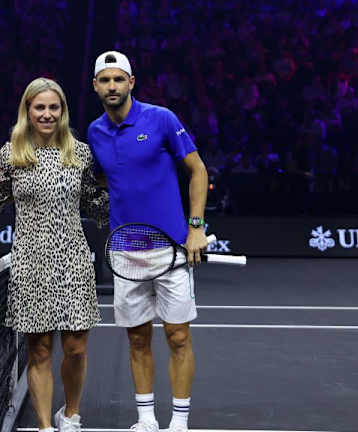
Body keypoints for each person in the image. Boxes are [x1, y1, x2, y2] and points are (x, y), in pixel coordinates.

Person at [0, 78, 108, 432]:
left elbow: (96, 203)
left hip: (74, 260)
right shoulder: (11, 154)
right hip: (30, 263)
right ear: (27, 111)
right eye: (39, 107)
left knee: (75, 348)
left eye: (53, 107)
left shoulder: (81, 153)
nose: (46, 114)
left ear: (63, 111)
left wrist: (139, 203)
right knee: (39, 351)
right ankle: (45, 427)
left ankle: (70, 416)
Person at [87, 51, 209, 432]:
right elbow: (109, 179)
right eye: (105, 80)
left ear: (131, 82)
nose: (112, 86)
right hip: (126, 252)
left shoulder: (161, 119)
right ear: (96, 86)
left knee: (177, 335)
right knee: (137, 338)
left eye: (118, 79)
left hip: (171, 248)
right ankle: (146, 419)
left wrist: (195, 227)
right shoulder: (94, 132)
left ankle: (180, 422)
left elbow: (198, 170)